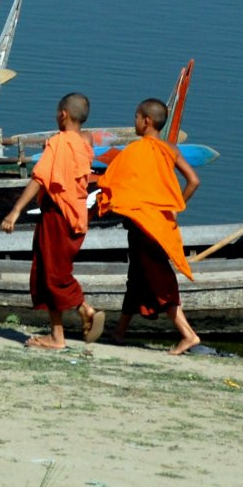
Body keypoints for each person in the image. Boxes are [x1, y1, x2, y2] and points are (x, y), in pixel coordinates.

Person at [99, 97, 201, 355]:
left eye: (135, 117)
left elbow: (113, 182)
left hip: (144, 227)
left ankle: (188, 334)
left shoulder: (135, 151)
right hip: (159, 225)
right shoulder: (170, 149)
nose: (133, 121)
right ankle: (120, 330)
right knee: (137, 278)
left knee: (160, 280)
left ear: (146, 121)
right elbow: (193, 181)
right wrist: (176, 207)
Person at [1, 93, 100, 350]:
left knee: (54, 275)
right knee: (47, 272)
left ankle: (83, 309)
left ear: (62, 115)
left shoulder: (58, 143)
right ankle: (56, 334)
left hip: (57, 216)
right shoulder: (84, 144)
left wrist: (15, 211)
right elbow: (86, 139)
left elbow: (40, 178)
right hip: (76, 217)